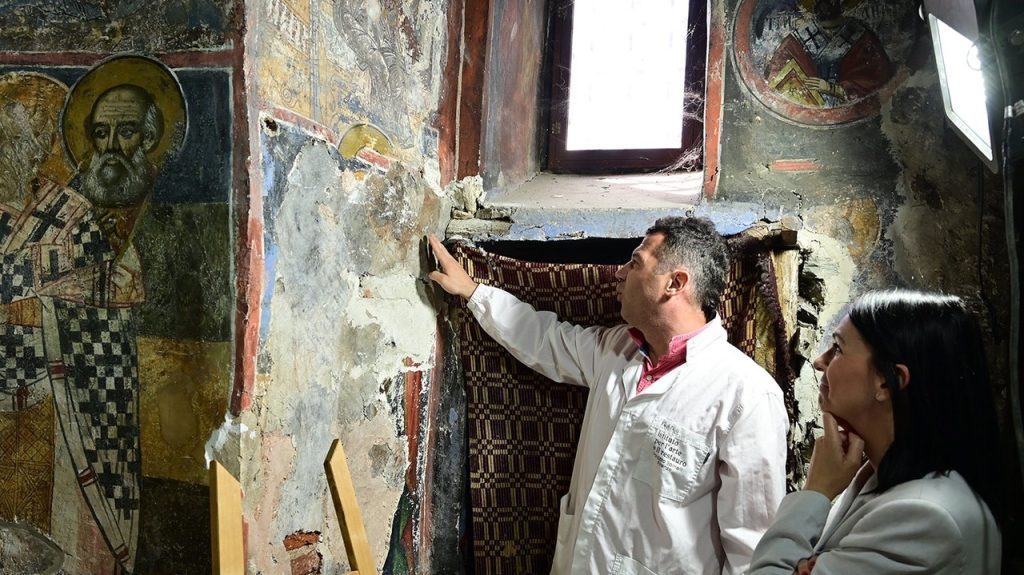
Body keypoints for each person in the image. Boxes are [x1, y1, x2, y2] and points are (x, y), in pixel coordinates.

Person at [428, 216, 789, 575]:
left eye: (635, 263)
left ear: (674, 283)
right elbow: (545, 340)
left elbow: (752, 552)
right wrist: (473, 293)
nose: (619, 273)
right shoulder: (617, 350)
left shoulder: (747, 396)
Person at [748, 291, 1002, 574]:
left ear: (887, 382)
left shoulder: (924, 517)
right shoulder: (876, 474)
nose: (819, 361)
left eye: (838, 348)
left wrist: (816, 491)